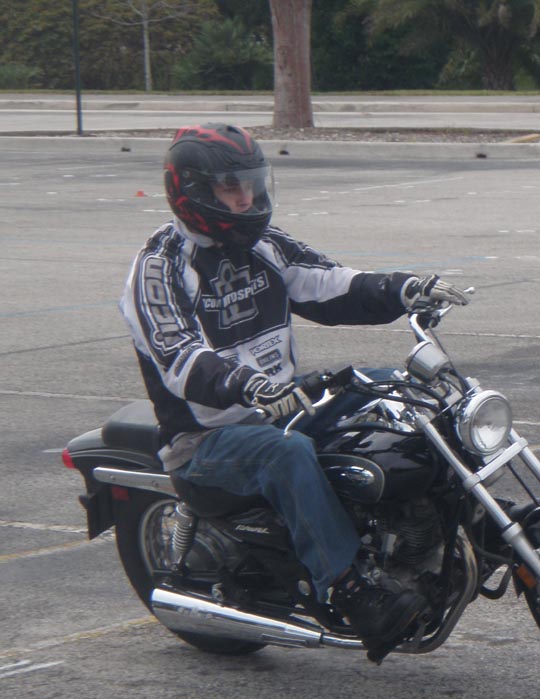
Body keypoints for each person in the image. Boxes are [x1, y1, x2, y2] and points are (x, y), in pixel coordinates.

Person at [118, 122, 469, 663]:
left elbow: (331, 283)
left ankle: (439, 522)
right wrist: (252, 386)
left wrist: (404, 288)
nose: (247, 198)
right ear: (192, 192)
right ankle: (350, 588)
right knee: (287, 455)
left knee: (396, 391)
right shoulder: (158, 269)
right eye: (231, 188)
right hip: (207, 437)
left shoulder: (264, 246)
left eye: (252, 184)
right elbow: (180, 358)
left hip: (282, 408)